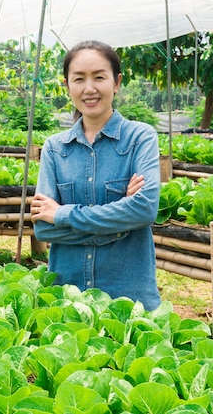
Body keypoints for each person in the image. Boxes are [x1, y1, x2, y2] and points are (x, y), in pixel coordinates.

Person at [31, 40, 161, 311]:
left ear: (116, 82)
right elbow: (43, 228)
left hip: (129, 299)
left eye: (99, 77)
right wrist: (121, 226)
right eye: (79, 79)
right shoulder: (55, 148)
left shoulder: (140, 137)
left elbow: (145, 210)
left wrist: (63, 215)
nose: (89, 89)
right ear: (67, 86)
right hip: (68, 297)